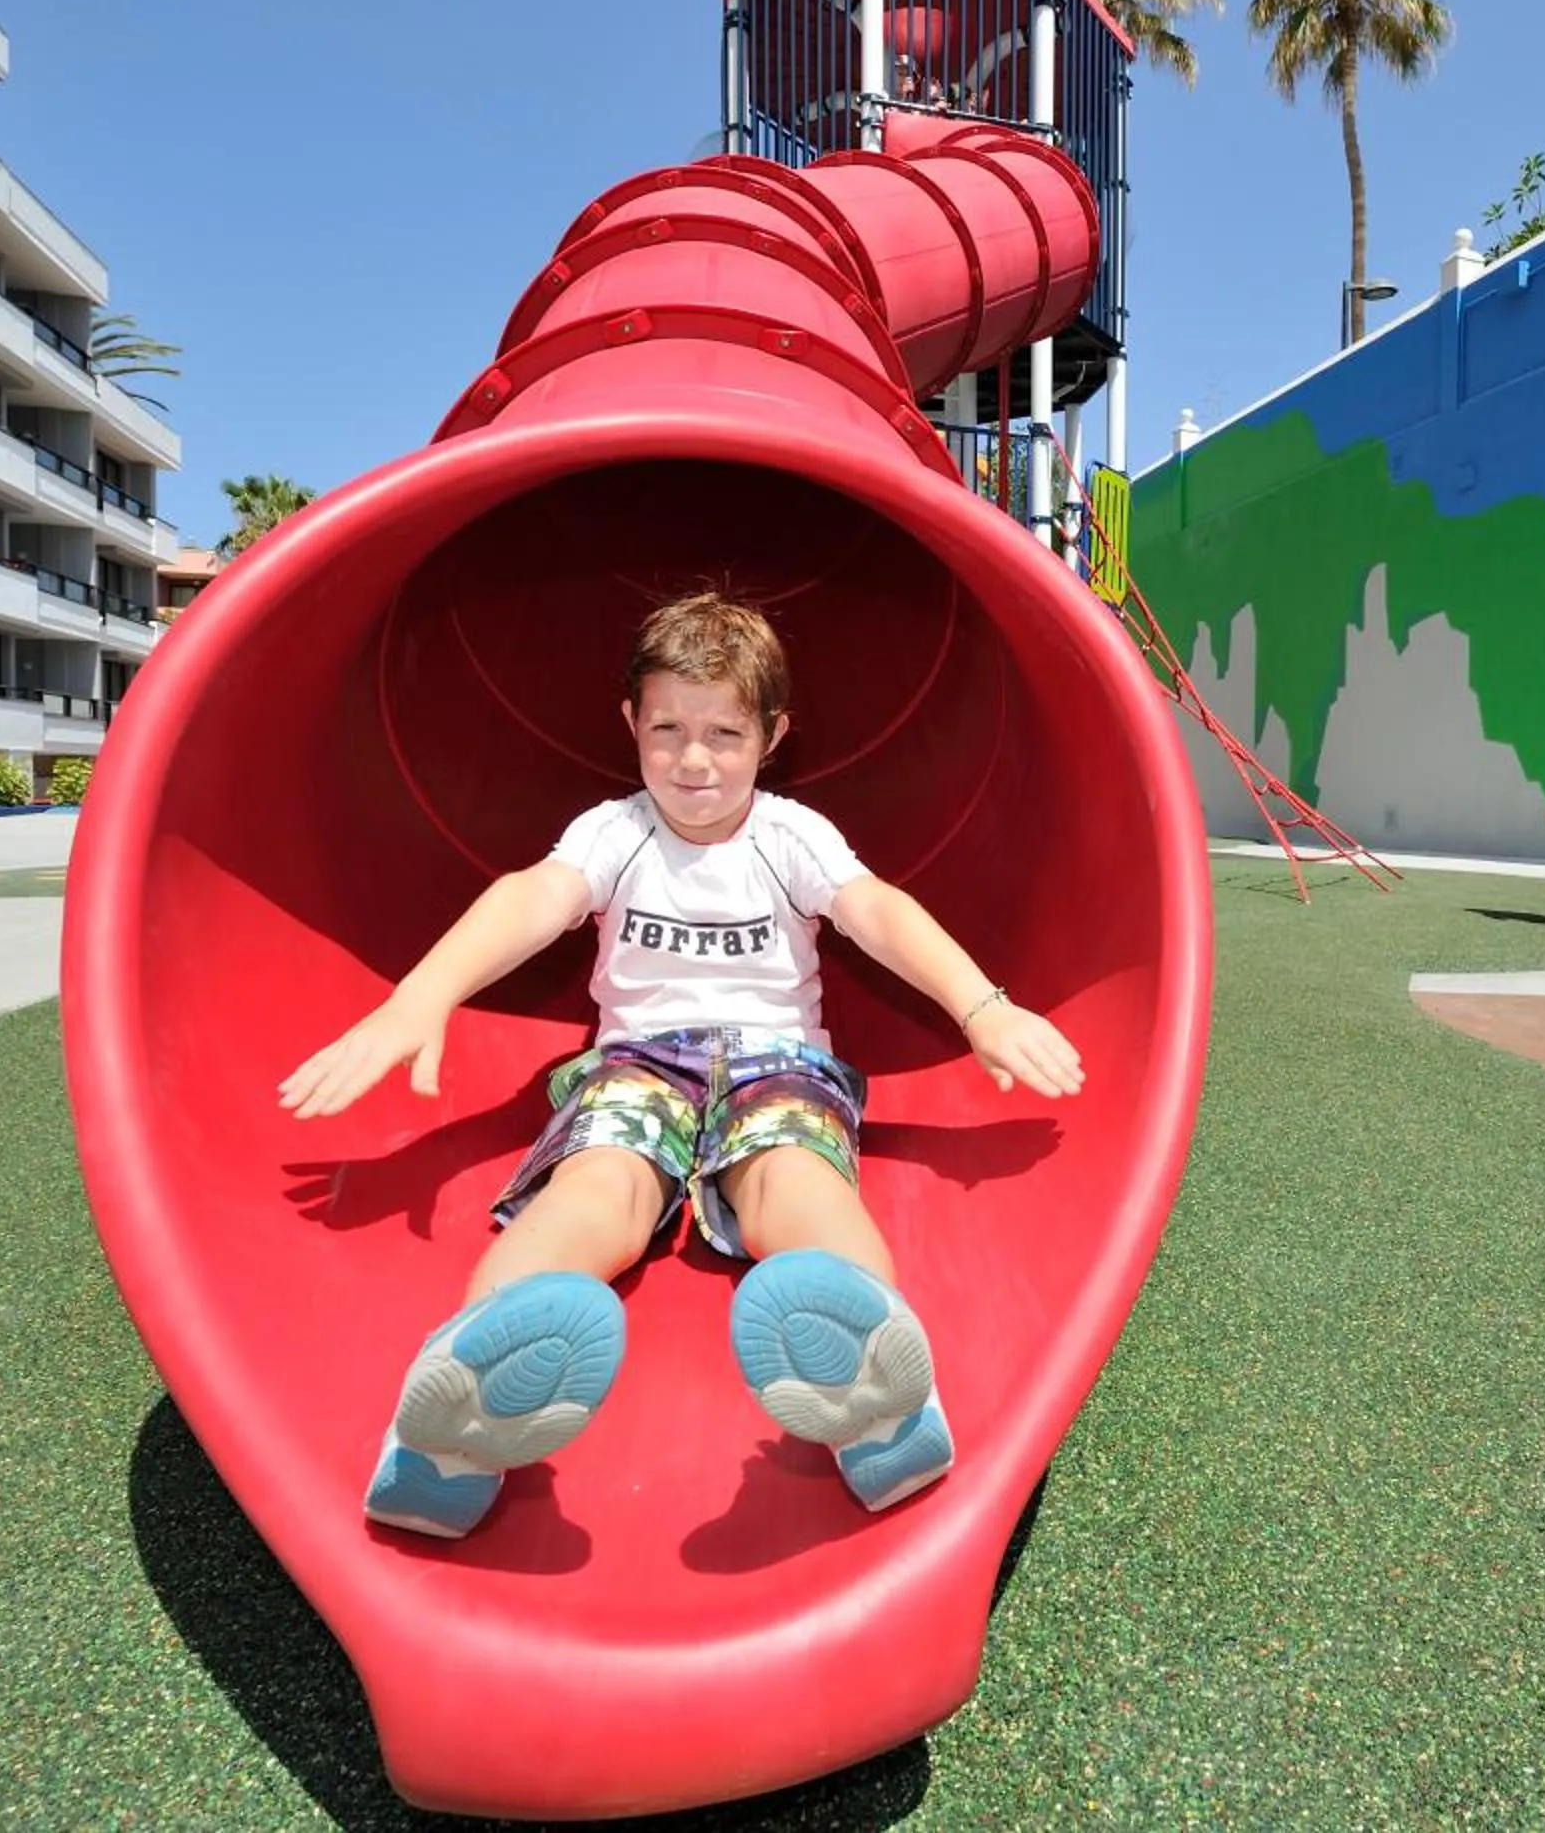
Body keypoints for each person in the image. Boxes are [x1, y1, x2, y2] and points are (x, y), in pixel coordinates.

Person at [278, 591, 1085, 1539]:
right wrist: (421, 996)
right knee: (597, 1187)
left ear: (772, 735)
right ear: (630, 723)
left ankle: (875, 1383)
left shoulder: (788, 836)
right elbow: (532, 899)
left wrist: (980, 1006)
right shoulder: (614, 833)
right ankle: (466, 1405)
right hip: (637, 1065)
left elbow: (878, 912)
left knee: (794, 1180)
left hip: (776, 1063)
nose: (693, 759)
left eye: (724, 733)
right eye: (667, 728)